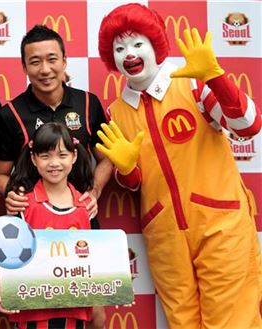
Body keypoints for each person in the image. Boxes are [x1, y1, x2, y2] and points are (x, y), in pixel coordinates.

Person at [97, 3, 261, 328]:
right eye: (119, 47)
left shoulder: (193, 85)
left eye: (137, 43)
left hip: (220, 225)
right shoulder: (116, 111)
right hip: (165, 234)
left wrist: (216, 78)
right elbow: (132, 182)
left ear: (155, 45)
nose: (129, 53)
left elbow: (248, 126)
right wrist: (126, 169)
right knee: (182, 323)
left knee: (233, 321)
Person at [0, 24, 113, 219]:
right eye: (35, 62)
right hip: (31, 219)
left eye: (52, 59)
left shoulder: (89, 103)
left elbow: (106, 159)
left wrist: (95, 192)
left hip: (81, 218)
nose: (45, 69)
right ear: (24, 67)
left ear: (64, 61)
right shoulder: (10, 114)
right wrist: (12, 194)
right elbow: (0, 174)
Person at [0, 122, 104, 329]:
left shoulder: (85, 206)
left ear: (74, 156)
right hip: (31, 310)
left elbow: (91, 259)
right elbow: (10, 253)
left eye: (62, 155)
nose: (54, 163)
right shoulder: (23, 205)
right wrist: (4, 285)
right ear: (33, 159)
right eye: (45, 156)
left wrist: (114, 288)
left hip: (74, 310)